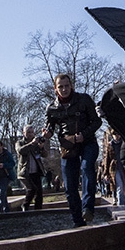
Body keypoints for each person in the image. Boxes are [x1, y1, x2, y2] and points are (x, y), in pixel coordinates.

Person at [42, 74, 102, 227]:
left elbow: (97, 121)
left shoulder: (84, 99)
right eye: (60, 87)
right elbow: (50, 127)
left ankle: (87, 208)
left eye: (66, 86)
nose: (64, 89)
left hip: (88, 142)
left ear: (71, 86)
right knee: (69, 185)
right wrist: (47, 134)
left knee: (87, 168)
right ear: (55, 89)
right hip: (68, 147)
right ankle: (77, 220)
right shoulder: (51, 108)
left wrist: (84, 135)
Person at [15, 125, 47, 211]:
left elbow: (45, 155)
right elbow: (20, 151)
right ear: (24, 133)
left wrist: (42, 147)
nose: (30, 134)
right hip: (25, 172)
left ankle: (38, 211)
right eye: (28, 132)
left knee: (39, 193)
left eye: (32, 132)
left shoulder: (36, 144)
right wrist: (31, 144)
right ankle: (25, 205)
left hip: (36, 172)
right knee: (31, 189)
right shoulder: (20, 143)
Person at [104, 129, 125, 208]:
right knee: (119, 186)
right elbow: (107, 159)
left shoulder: (124, 143)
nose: (117, 136)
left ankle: (123, 202)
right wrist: (106, 173)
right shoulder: (110, 145)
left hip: (124, 168)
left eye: (118, 134)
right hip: (114, 169)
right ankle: (121, 205)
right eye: (115, 134)